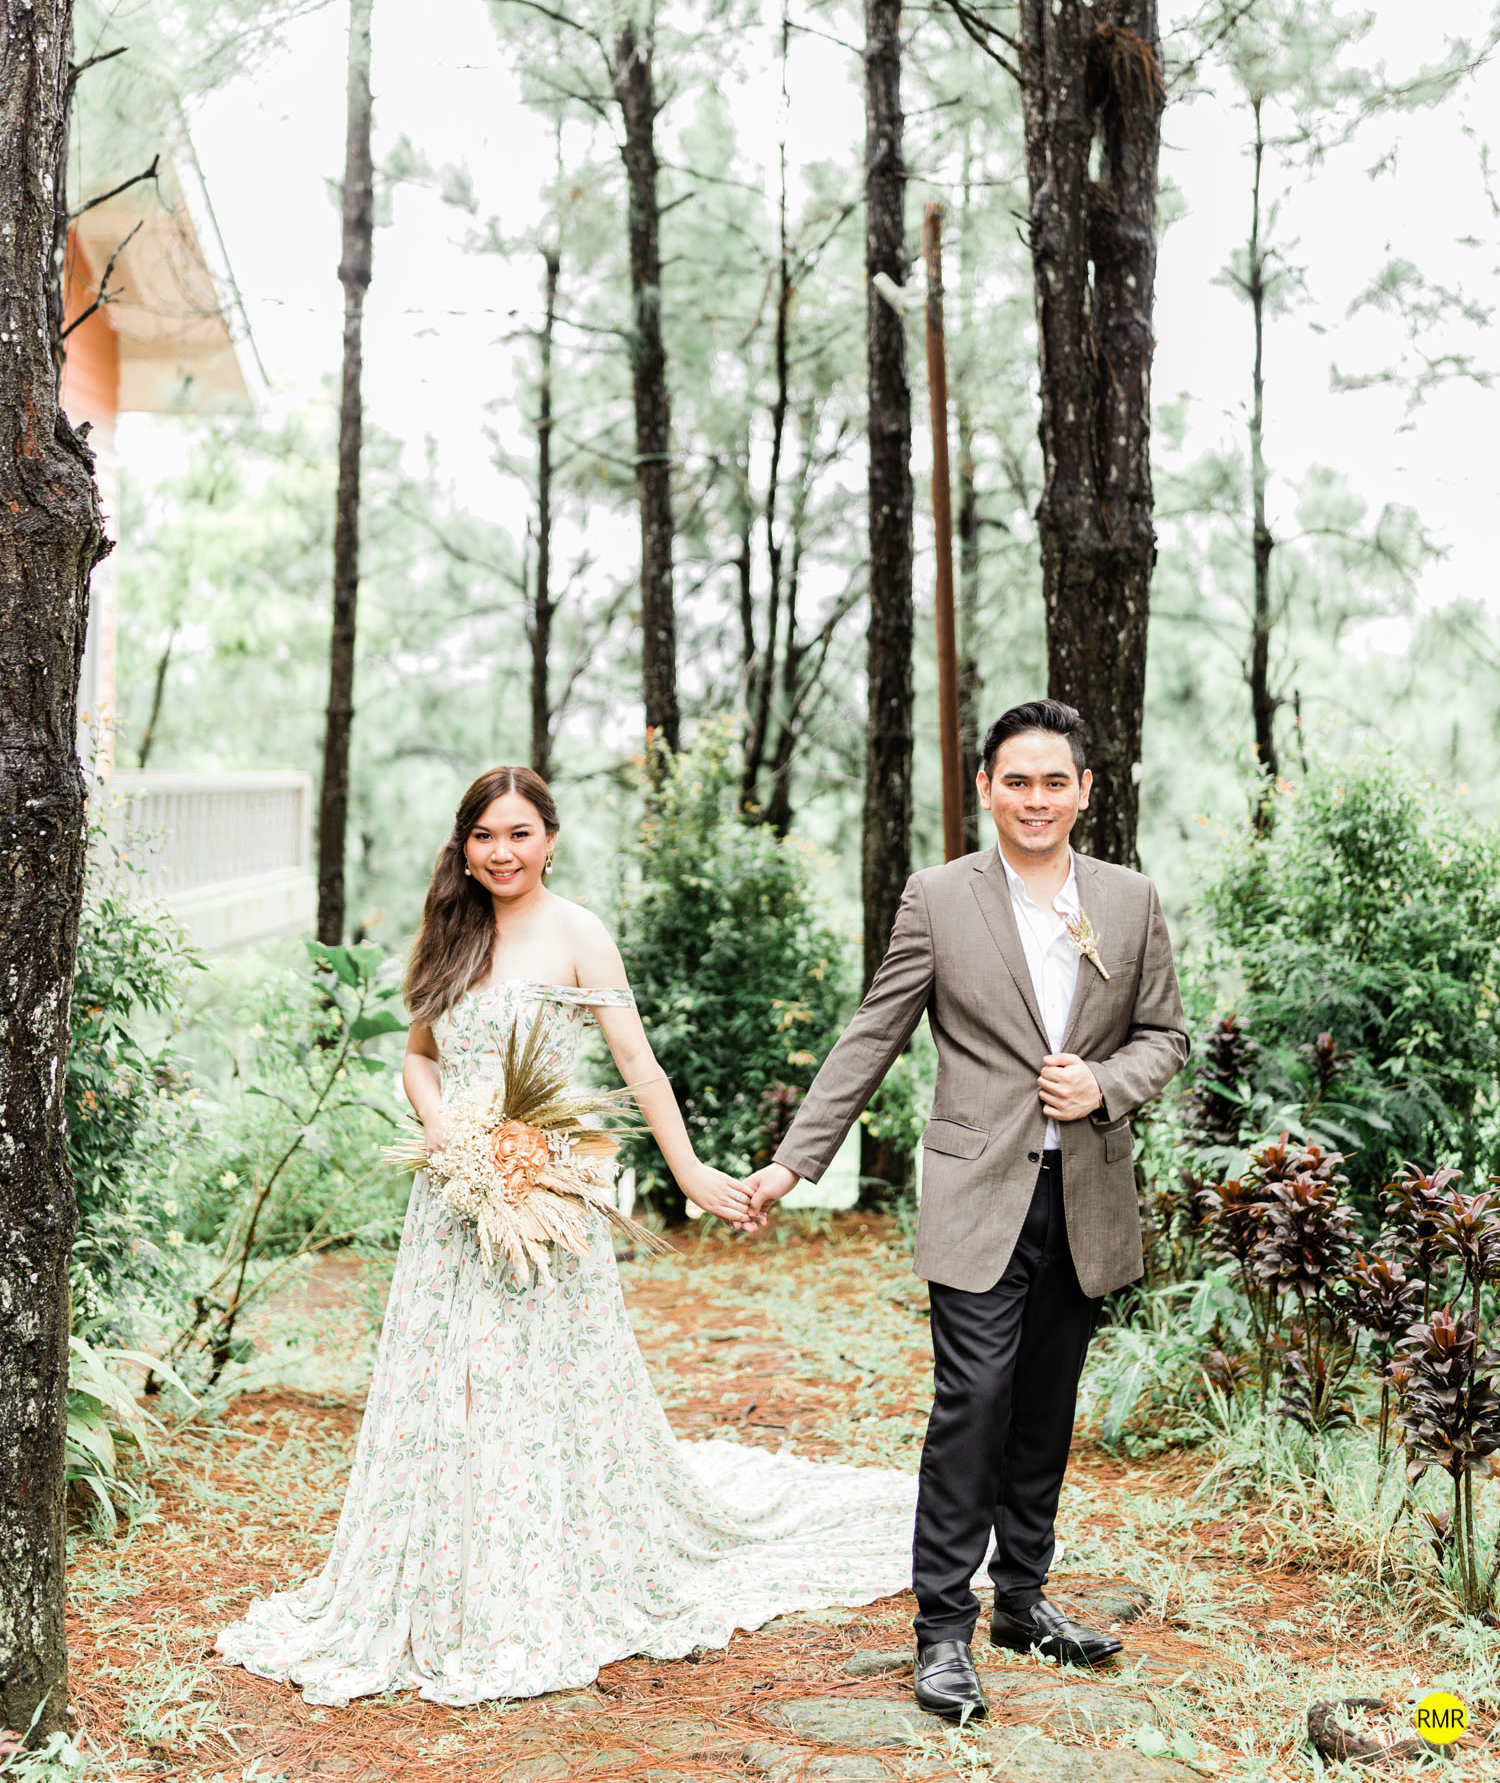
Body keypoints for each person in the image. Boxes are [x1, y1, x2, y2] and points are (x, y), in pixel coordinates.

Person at [216, 764, 914, 1707]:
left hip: (548, 1194)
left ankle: (537, 1570)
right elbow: (418, 1059)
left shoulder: (580, 933)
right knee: (453, 1384)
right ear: (464, 845)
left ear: (550, 839)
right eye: (484, 836)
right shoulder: (448, 931)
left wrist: (689, 1173)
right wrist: (445, 1130)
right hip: (452, 1200)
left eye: (519, 834)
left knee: (533, 1380)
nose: (501, 852)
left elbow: (637, 1064)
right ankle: (441, 1572)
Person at [745, 701, 1188, 1723]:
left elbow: (1166, 1035)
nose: (1036, 799)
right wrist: (792, 1164)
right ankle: (943, 1629)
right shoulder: (939, 898)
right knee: (973, 1404)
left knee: (1045, 1408)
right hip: (976, 1194)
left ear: (1085, 791)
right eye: (1016, 781)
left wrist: (1105, 1084)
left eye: (1055, 781)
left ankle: (1022, 1602)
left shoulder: (1129, 900)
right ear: (986, 789)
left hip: (1085, 1197)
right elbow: (873, 1034)